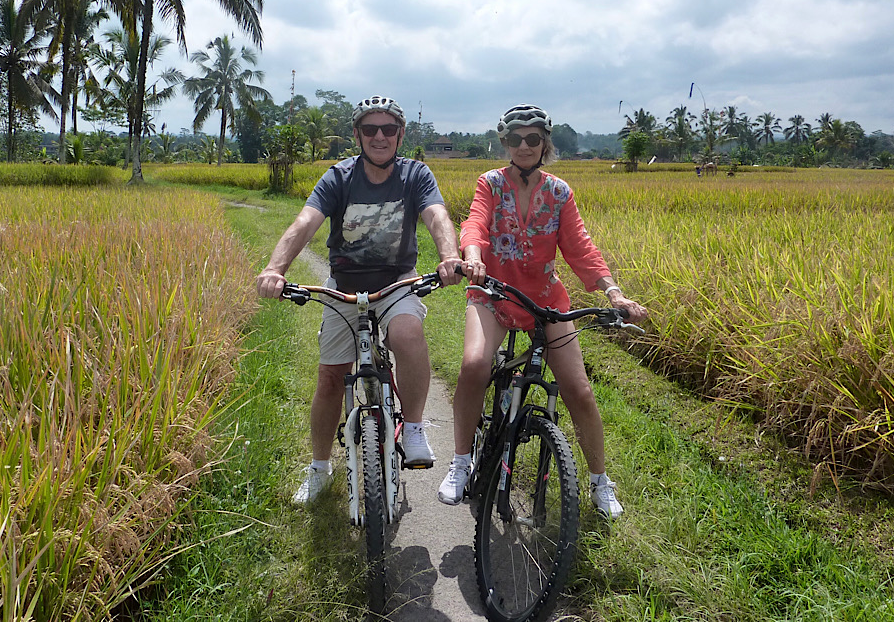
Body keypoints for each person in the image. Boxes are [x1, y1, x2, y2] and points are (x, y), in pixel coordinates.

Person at [437, 104, 648, 519]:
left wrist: (613, 293)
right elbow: (474, 225)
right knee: (475, 364)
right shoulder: (490, 184)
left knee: (579, 390)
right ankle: (461, 461)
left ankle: (599, 482)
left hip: (547, 301)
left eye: (533, 138)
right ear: (505, 143)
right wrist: (474, 256)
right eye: (515, 139)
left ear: (545, 142)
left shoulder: (559, 192)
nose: (524, 145)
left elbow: (581, 248)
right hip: (494, 293)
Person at [256, 95, 463, 504]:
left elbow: (437, 215)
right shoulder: (339, 177)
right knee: (331, 377)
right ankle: (319, 469)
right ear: (357, 135)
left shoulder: (415, 175)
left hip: (396, 282)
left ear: (401, 135)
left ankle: (416, 429)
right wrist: (275, 269)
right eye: (371, 129)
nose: (380, 136)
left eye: (389, 129)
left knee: (406, 334)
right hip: (344, 285)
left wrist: (449, 256)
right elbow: (305, 222)